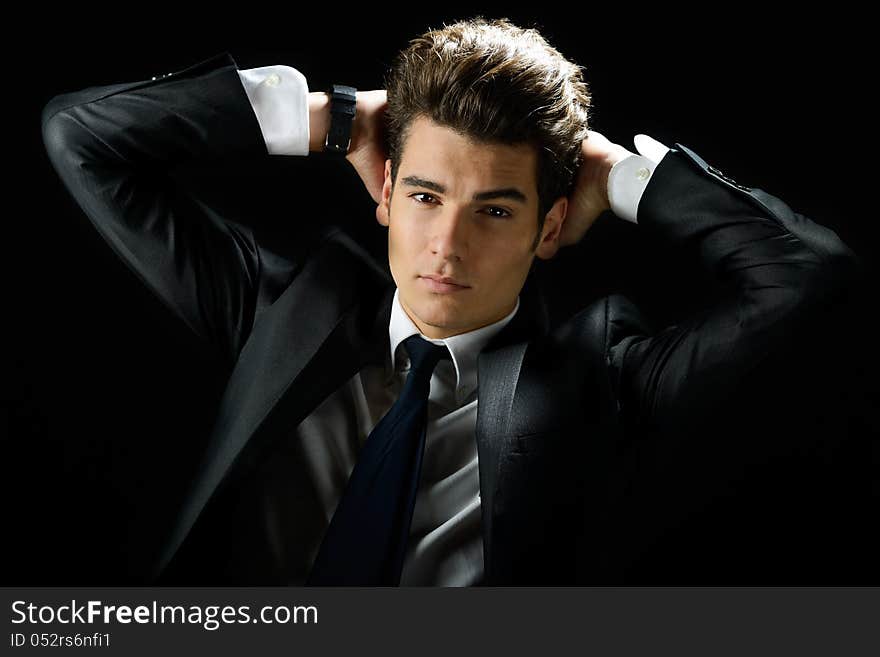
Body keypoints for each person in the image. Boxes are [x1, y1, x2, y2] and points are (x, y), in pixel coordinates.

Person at [41, 17, 860, 586]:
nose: (447, 243)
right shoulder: (277, 312)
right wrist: (337, 118)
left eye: (496, 209)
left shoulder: (603, 383)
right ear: (387, 192)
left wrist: (615, 177)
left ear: (550, 228)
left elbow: (805, 274)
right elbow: (83, 138)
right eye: (426, 196)